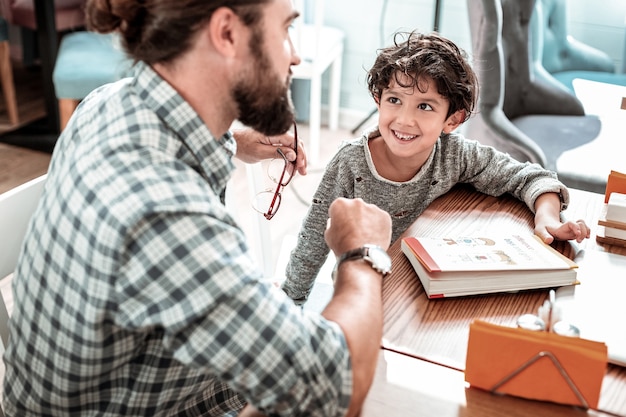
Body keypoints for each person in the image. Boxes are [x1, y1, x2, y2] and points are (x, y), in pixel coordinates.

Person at [3, 1, 393, 416]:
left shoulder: (106, 103)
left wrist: (234, 142)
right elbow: (337, 389)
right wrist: (361, 252)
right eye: (284, 30)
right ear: (227, 33)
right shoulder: (164, 213)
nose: (294, 54)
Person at [282, 31, 591, 305]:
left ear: (452, 120)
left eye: (425, 106)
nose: (404, 119)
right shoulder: (350, 162)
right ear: (378, 100)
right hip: (362, 293)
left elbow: (530, 176)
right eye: (394, 99)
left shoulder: (453, 155)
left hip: (425, 290)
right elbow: (312, 239)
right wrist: (291, 304)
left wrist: (546, 217)